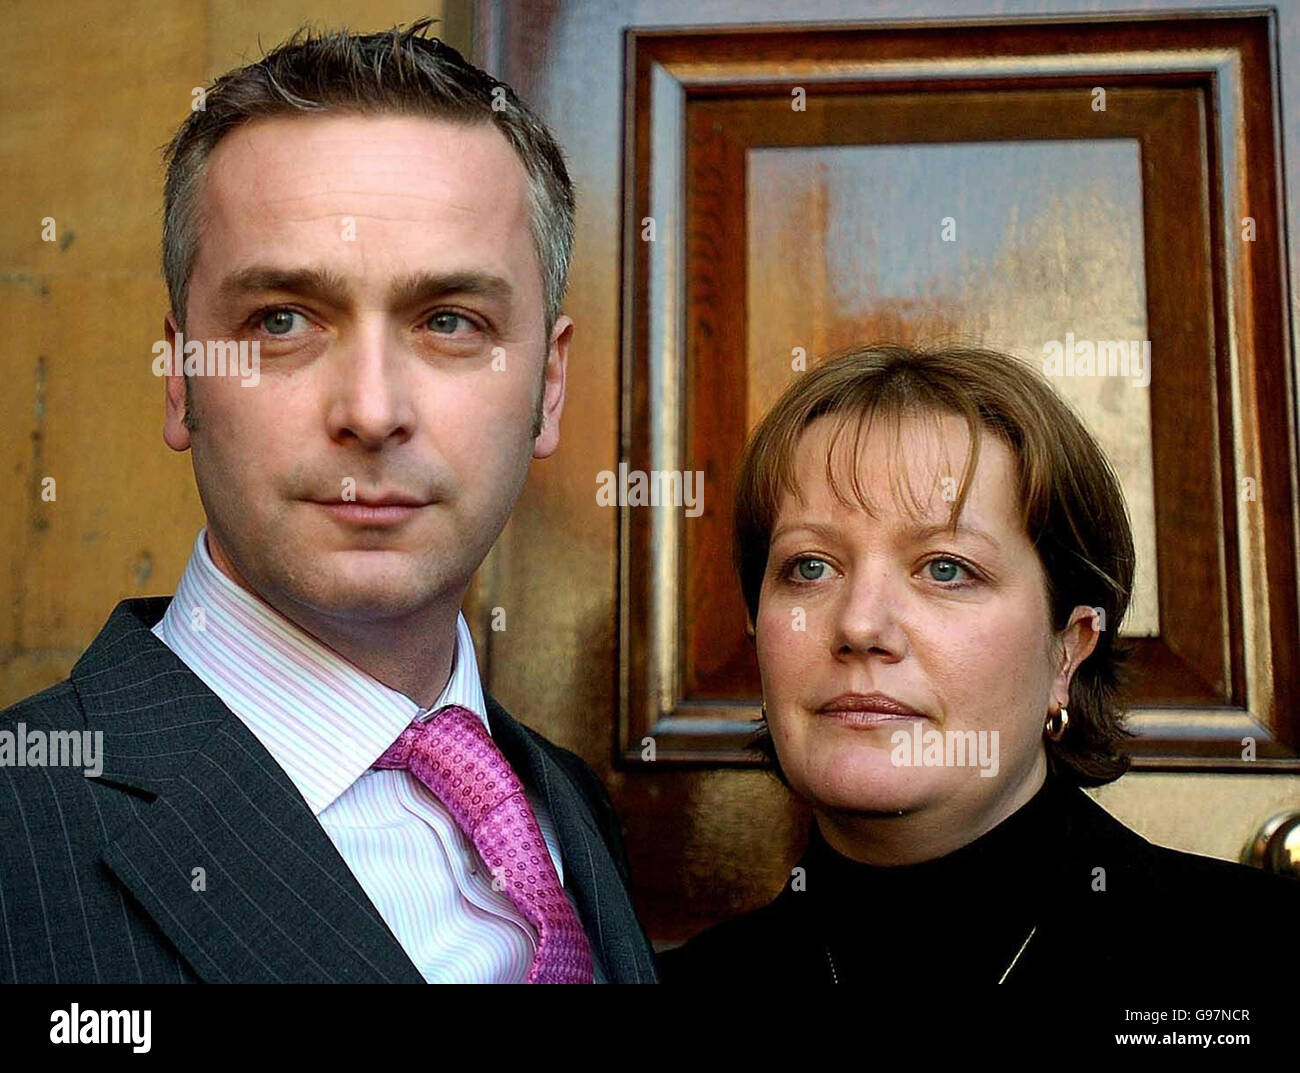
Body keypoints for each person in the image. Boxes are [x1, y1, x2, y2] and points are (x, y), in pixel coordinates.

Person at [0, 20, 655, 984]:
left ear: (548, 387)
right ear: (181, 376)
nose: (373, 411)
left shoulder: (568, 808)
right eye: (284, 320)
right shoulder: (23, 825)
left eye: (448, 321)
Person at [659, 343, 1298, 986]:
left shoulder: (1254, 957)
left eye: (946, 569)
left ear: (1068, 649)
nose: (859, 625)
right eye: (811, 567)